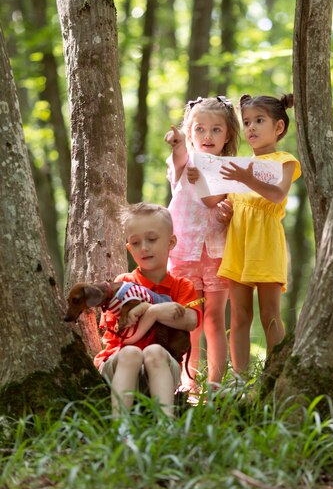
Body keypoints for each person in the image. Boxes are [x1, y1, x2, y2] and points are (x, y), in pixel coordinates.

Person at [217, 93, 301, 375]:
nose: (251, 127)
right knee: (240, 316)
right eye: (248, 122)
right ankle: (239, 379)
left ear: (278, 128)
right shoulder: (237, 166)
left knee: (270, 315)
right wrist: (226, 213)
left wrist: (247, 178)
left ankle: (275, 375)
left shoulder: (284, 160)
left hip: (266, 244)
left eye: (259, 121)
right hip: (238, 244)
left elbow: (277, 195)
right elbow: (235, 204)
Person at [94, 202, 201, 418]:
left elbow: (190, 320)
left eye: (152, 239)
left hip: (162, 368)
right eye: (136, 242)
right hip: (119, 364)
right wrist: (159, 311)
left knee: (155, 352)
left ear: (171, 242)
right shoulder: (123, 283)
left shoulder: (182, 286)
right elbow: (125, 336)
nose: (144, 247)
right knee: (132, 353)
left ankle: (165, 425)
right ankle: (120, 427)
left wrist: (148, 311)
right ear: (129, 248)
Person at [164, 96, 240, 391]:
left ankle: (216, 385)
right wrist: (179, 144)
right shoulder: (186, 162)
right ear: (190, 131)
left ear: (228, 134)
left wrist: (229, 212)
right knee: (190, 321)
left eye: (216, 130)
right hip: (184, 253)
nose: (207, 136)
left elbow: (228, 205)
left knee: (214, 321)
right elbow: (179, 159)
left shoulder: (231, 169)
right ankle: (188, 384)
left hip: (217, 254)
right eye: (200, 129)